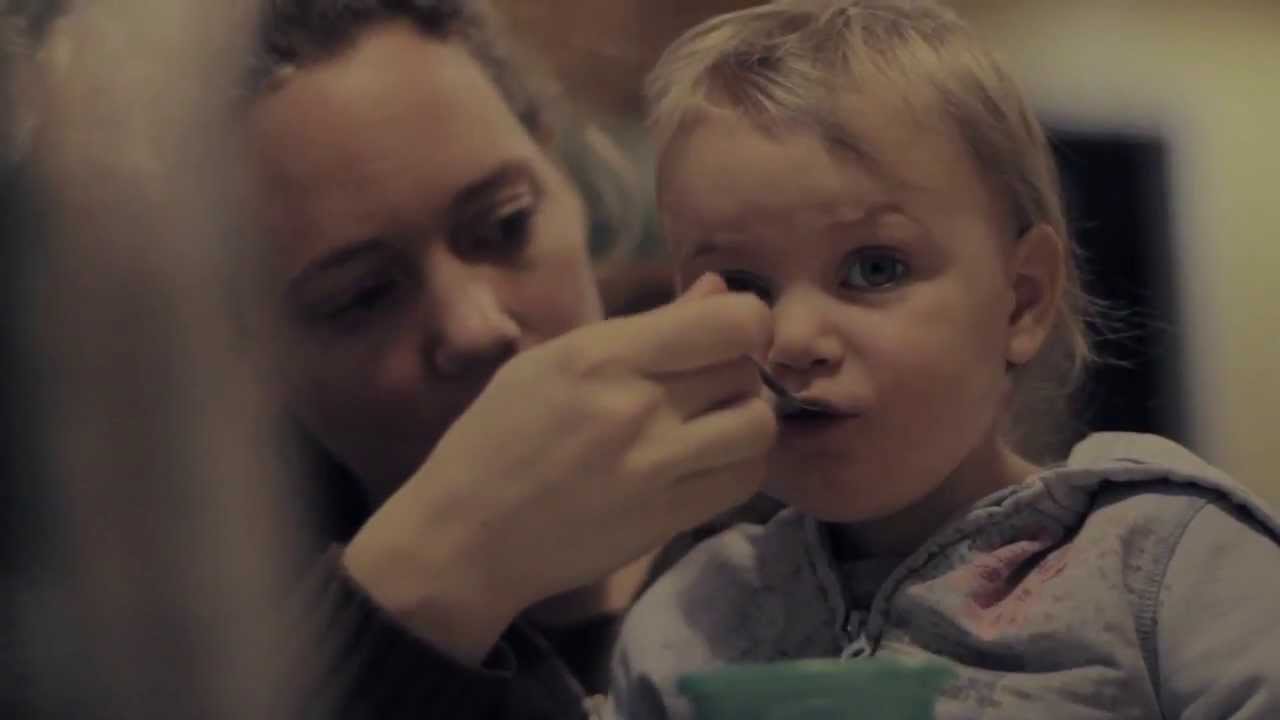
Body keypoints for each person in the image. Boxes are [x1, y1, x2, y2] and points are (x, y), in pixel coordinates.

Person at [607, 1, 1280, 718]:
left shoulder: (1170, 566)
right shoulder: (686, 623)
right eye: (743, 285)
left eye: (874, 269)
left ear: (1020, 302)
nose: (794, 338)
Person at [243, 1, 779, 718]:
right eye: (361, 296)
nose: (477, 327)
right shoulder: (199, 635)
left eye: (505, 224)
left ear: (566, 176)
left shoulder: (822, 491)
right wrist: (422, 586)